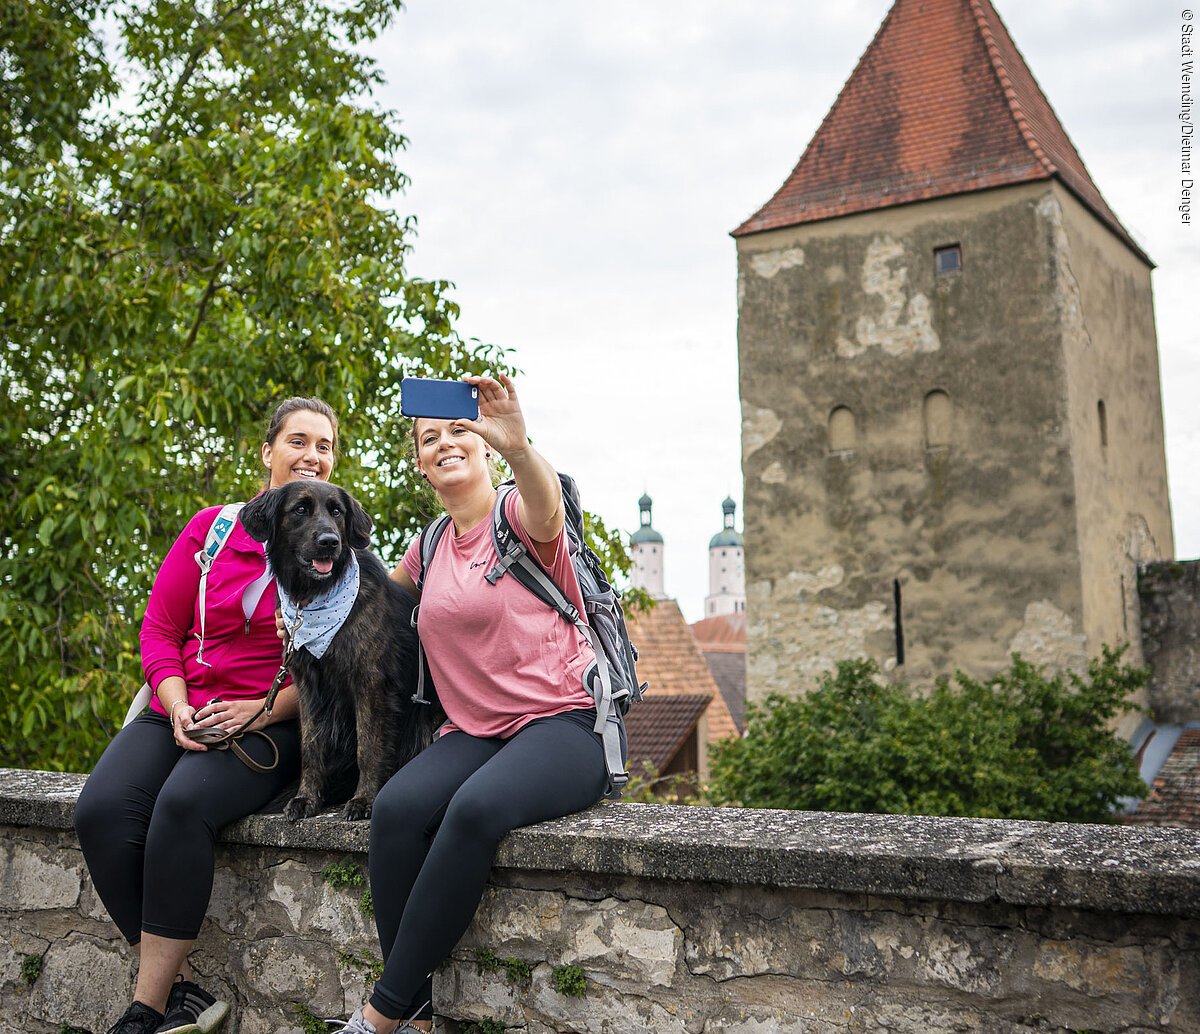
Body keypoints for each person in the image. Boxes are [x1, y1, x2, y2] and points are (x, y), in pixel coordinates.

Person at [327, 374, 622, 1034]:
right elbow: (363, 614)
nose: (444, 443)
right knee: (396, 811)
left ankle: (379, 1016)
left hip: (566, 724)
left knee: (474, 811)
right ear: (419, 463)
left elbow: (549, 509)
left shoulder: (517, 515)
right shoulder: (429, 545)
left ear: (484, 447)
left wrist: (519, 446)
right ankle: (420, 1019)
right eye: (429, 438)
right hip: (478, 732)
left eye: (458, 430)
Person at [74, 398, 340, 1034]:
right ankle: (183, 993)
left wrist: (254, 713)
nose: (312, 456)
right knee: (101, 811)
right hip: (184, 704)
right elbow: (160, 628)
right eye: (299, 441)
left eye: (325, 446)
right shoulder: (214, 529)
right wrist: (175, 706)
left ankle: (145, 1010)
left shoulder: (335, 548)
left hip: (271, 721)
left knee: (180, 807)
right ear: (268, 453)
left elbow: (336, 672)